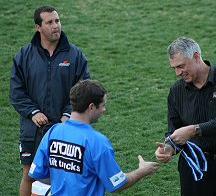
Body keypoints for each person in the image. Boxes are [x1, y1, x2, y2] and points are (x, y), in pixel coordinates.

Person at [155, 37, 216, 196]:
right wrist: (169, 147)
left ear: (196, 56)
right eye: (174, 68)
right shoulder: (176, 91)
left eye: (181, 66)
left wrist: (195, 130)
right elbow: (175, 130)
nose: (177, 73)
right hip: (195, 170)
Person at [9, 5, 90, 196]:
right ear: (38, 27)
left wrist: (68, 113)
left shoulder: (75, 55)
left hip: (65, 127)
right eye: (49, 22)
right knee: (29, 175)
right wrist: (33, 112)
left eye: (57, 21)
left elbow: (83, 90)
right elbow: (16, 92)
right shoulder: (23, 55)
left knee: (64, 175)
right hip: (32, 129)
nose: (56, 26)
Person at [28, 79, 160, 195]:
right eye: (103, 105)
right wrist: (142, 171)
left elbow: (38, 174)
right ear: (91, 107)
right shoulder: (97, 142)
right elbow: (117, 184)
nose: (104, 110)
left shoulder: (53, 132)